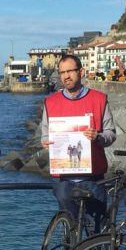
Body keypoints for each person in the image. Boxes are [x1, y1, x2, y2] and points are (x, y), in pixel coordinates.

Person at [39, 54, 117, 230]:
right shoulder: (50, 102)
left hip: (94, 178)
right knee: (70, 231)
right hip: (63, 180)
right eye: (62, 72)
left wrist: (98, 136)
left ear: (80, 72)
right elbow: (44, 135)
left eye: (70, 71)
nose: (66, 76)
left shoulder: (99, 99)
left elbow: (111, 134)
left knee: (96, 233)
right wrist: (45, 142)